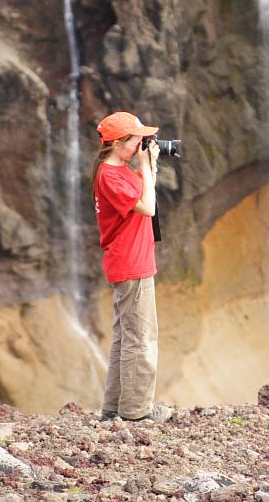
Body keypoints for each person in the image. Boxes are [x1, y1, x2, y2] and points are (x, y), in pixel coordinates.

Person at [92, 111, 172, 422]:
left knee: (125, 338)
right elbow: (147, 207)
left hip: (132, 261)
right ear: (117, 144)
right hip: (131, 264)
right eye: (137, 139)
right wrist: (145, 165)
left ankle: (114, 409)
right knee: (141, 339)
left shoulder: (119, 170)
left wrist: (147, 164)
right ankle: (136, 413)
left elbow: (145, 192)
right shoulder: (110, 176)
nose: (142, 143)